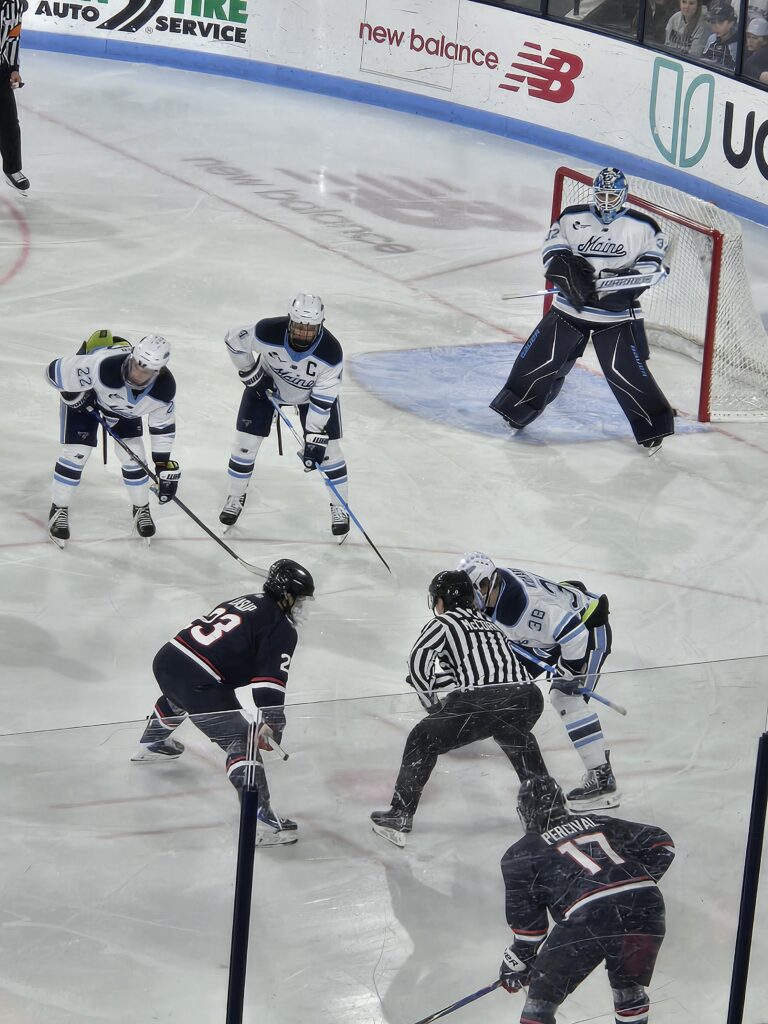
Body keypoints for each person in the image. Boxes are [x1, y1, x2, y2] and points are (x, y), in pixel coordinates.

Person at [490, 167, 674, 455]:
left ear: (624, 195)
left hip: (612, 317)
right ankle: (516, 410)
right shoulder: (572, 217)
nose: (606, 200)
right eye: (601, 193)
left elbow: (654, 268)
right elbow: (552, 252)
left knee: (624, 373)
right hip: (569, 309)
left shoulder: (644, 226)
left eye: (612, 195)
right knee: (540, 361)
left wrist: (619, 282)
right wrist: (569, 273)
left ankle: (653, 428)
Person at [131, 558, 315, 846]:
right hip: (197, 681)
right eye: (299, 599)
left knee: (181, 694)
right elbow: (269, 684)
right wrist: (274, 724)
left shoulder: (247, 600)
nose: (301, 606)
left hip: (168, 659)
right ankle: (261, 822)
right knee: (242, 740)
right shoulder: (281, 628)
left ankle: (153, 742)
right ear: (287, 595)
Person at [370, 570, 549, 847]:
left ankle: (400, 814)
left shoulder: (443, 623)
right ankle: (547, 810)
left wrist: (432, 707)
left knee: (423, 738)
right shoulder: (490, 625)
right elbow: (469, 673)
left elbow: (418, 666)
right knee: (513, 734)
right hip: (528, 697)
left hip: (486, 700)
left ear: (441, 600)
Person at [498, 776, 675, 1024]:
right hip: (646, 906)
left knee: (539, 1004)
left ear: (523, 813)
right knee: (628, 990)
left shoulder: (519, 853)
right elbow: (661, 843)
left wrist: (517, 962)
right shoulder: (599, 821)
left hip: (589, 917)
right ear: (562, 804)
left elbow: (530, 930)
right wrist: (633, 883)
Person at [457, 551, 617, 809]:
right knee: (508, 677)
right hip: (550, 635)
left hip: (587, 629)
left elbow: (573, 633)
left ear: (485, 586)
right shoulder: (498, 588)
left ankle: (602, 776)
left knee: (565, 698)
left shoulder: (524, 608)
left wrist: (568, 671)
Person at [220, 293, 350, 539]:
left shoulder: (331, 353)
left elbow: (323, 400)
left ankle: (340, 508)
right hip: (266, 389)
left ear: (320, 325)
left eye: (310, 329)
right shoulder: (268, 330)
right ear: (290, 321)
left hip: (311, 398)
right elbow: (233, 340)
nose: (302, 333)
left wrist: (314, 435)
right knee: (244, 447)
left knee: (329, 452)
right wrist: (250, 372)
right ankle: (235, 497)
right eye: (299, 326)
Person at [44, 330, 180, 546]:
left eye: (145, 371)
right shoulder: (103, 366)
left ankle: (141, 507)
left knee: (135, 457)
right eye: (136, 364)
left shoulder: (164, 390)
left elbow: (162, 426)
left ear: (158, 371)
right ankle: (58, 509)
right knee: (76, 454)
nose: (136, 373)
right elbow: (53, 372)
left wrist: (163, 465)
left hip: (123, 411)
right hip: (87, 402)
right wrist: (74, 397)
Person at [0, 0, 28, 193]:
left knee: (9, 122)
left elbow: (12, 37)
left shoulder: (14, 3)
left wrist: (13, 69)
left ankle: (12, 168)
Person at [701, 3, 739, 67]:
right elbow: (704, 59)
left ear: (732, 23)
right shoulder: (712, 39)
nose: (716, 27)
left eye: (720, 23)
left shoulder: (736, 45)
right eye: (713, 22)